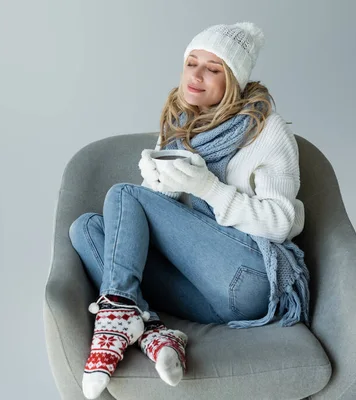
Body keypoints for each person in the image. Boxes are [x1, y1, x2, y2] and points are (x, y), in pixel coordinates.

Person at [68, 22, 310, 400]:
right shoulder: (181, 126)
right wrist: (157, 183)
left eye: (213, 69)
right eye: (191, 63)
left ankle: (116, 316)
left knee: (122, 194)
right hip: (203, 294)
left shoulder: (266, 130)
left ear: (234, 80)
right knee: (85, 229)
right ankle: (151, 332)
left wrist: (207, 188)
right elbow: (162, 223)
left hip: (251, 276)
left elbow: (281, 223)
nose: (196, 76)